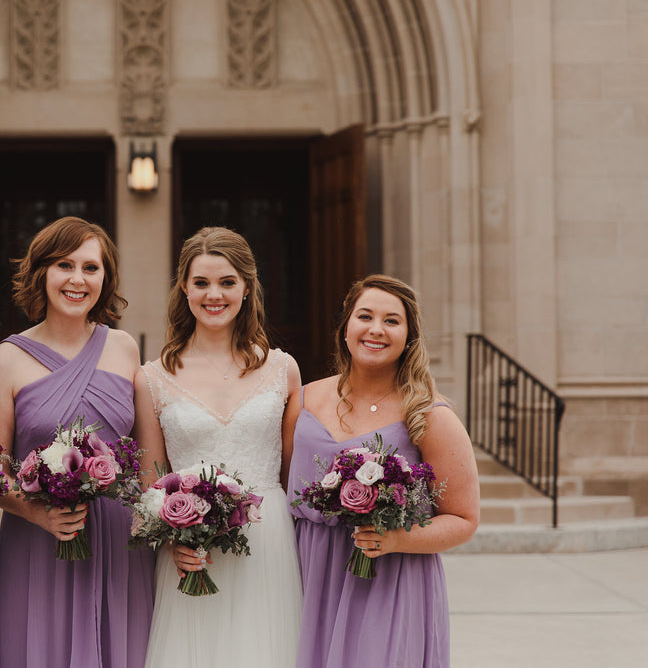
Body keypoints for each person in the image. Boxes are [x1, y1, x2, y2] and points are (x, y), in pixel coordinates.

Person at [0, 216, 155, 668]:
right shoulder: (5, 359)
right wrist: (38, 514)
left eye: (91, 268)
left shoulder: (123, 348)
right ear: (41, 273)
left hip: (120, 541)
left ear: (106, 277)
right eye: (64, 265)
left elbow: (144, 456)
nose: (78, 279)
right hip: (40, 539)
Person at [285, 274, 480, 667]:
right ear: (345, 329)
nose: (376, 329)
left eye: (392, 321)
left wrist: (394, 539)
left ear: (409, 337)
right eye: (365, 316)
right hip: (307, 574)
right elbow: (281, 485)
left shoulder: (428, 414)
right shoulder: (303, 399)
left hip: (388, 578)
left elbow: (463, 518)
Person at [136, 226, 303, 667]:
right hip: (191, 550)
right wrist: (172, 540)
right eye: (202, 282)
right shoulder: (152, 377)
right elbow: (150, 482)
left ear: (247, 288)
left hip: (268, 543)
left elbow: (292, 469)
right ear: (184, 289)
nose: (215, 294)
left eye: (227, 282)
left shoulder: (282, 369)